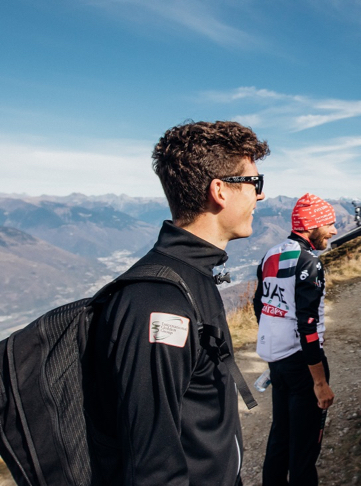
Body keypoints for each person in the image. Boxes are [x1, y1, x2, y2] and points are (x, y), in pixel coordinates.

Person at [83, 121, 269, 485]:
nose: (260, 196)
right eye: (255, 184)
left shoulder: (192, 277)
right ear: (221, 191)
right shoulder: (157, 303)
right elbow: (153, 466)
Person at [254, 193, 338, 486]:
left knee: (281, 435)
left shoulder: (272, 254)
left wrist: (274, 343)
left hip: (277, 359)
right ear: (311, 224)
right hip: (303, 362)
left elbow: (260, 305)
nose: (334, 230)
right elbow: (309, 325)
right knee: (304, 448)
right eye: (329, 223)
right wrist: (319, 382)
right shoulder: (309, 262)